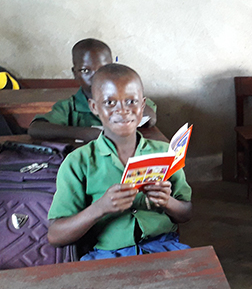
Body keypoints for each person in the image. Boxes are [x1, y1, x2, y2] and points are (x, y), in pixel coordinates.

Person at [47, 64, 192, 261]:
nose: (122, 110)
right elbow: (55, 236)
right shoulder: (79, 162)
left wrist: (167, 202)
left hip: (164, 247)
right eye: (109, 102)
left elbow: (186, 213)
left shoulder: (165, 153)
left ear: (142, 106)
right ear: (94, 107)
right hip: (106, 256)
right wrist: (100, 208)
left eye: (131, 101)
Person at [29, 38, 157, 142]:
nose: (96, 77)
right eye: (85, 70)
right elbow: (35, 129)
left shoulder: (129, 99)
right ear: (75, 73)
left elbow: (150, 117)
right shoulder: (70, 106)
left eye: (103, 68)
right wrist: (82, 133)